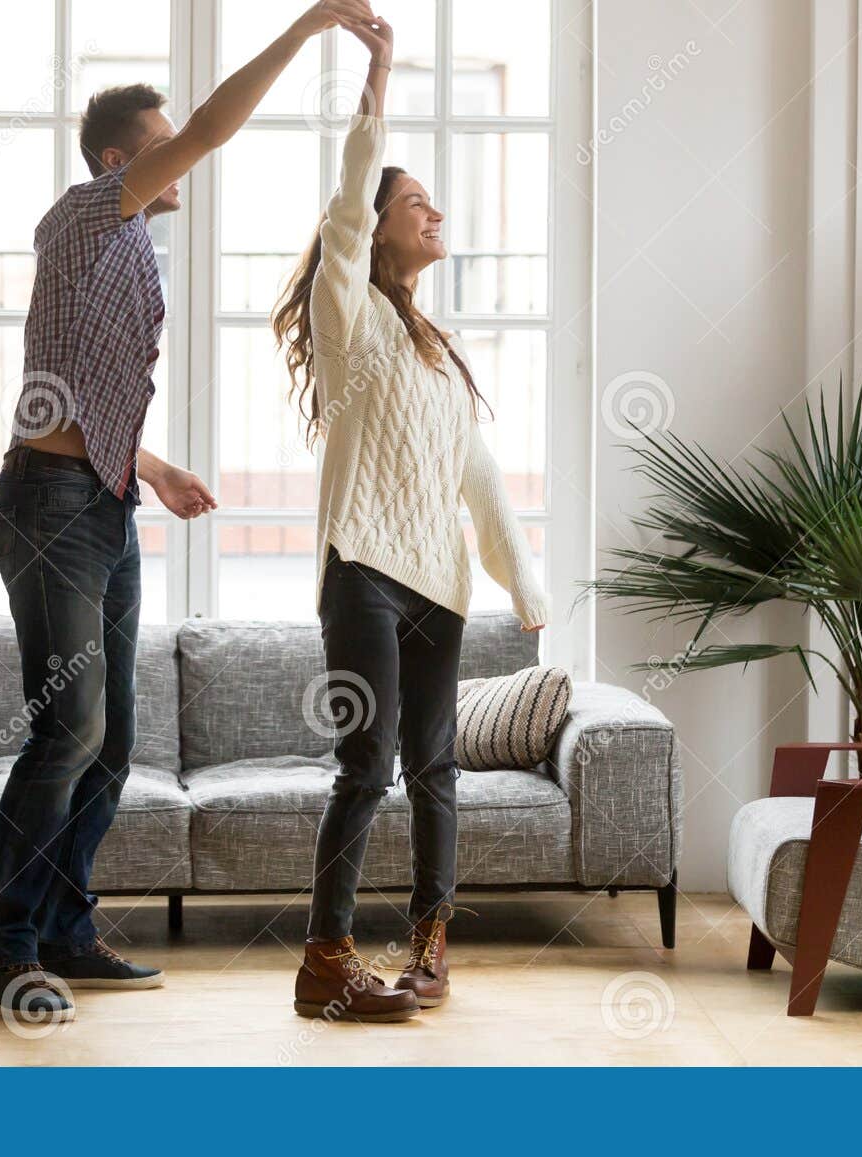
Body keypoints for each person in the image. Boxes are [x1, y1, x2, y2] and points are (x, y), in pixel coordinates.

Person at [0, 1, 380, 1023]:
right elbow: (208, 129)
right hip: (47, 503)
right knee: (68, 726)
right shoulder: (79, 214)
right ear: (117, 159)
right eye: (159, 148)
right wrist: (307, 29)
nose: (182, 162)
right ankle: (1, 945)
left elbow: (64, 388)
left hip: (100, 501)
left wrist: (147, 467)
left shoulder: (131, 251)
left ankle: (66, 927)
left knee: (111, 740)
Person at [271, 14, 550, 1023]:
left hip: (442, 583)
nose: (435, 215)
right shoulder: (349, 315)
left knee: (437, 769)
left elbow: (478, 475)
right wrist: (377, 76)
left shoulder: (435, 348)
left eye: (436, 205)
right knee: (368, 760)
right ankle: (325, 955)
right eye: (417, 204)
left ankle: (431, 947)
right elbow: (344, 210)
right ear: (379, 226)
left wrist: (522, 579)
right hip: (364, 570)